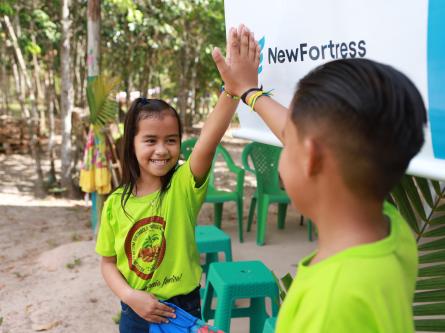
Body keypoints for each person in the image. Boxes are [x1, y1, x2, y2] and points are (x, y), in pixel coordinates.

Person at [216, 24, 426, 332]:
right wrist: (249, 93)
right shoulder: (390, 232)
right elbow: (306, 135)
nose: (284, 140)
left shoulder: (330, 304)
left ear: (311, 157)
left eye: (288, 140)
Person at [95, 27, 255, 333]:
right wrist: (131, 296)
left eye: (171, 140)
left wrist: (232, 90)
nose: (161, 149)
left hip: (182, 306)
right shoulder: (115, 204)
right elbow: (107, 264)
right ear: (131, 143)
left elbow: (209, 138)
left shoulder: (183, 184)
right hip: (135, 310)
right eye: (150, 140)